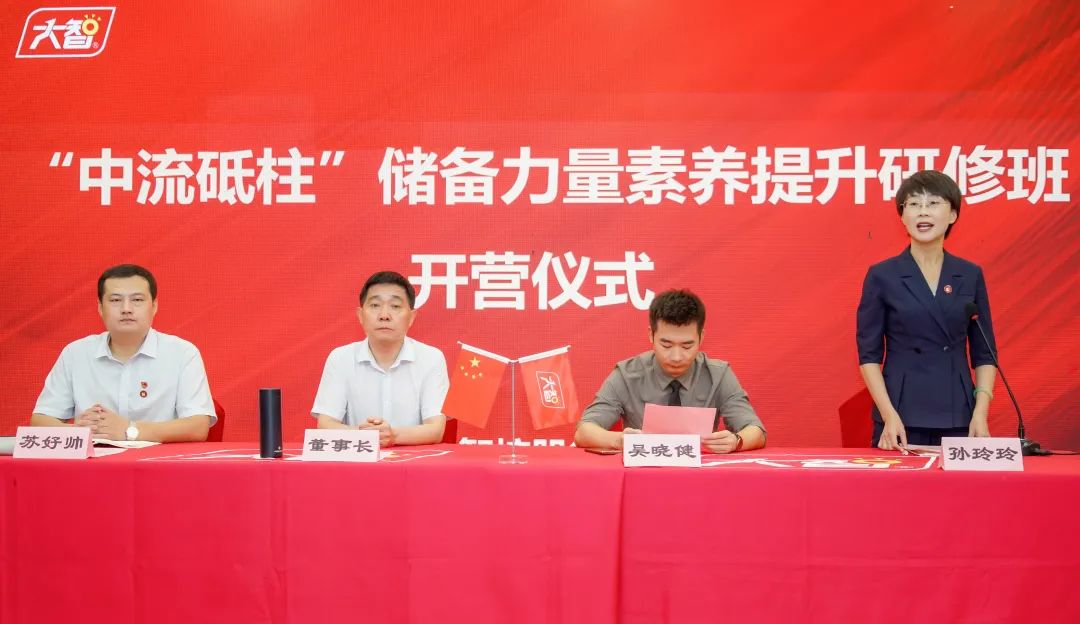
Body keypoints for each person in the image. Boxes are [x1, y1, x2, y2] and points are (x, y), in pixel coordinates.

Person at [857, 170, 998, 450]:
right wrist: (888, 415)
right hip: (900, 413)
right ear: (902, 216)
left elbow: (985, 354)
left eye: (933, 203)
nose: (923, 211)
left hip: (959, 413)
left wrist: (980, 413)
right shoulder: (882, 275)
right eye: (913, 204)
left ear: (953, 214)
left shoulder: (969, 274)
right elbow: (868, 356)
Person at [30, 264, 216, 442]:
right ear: (100, 307)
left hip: (157, 460)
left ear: (154, 306)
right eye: (115, 300)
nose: (126, 309)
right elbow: (40, 420)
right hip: (94, 460)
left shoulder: (182, 353)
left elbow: (198, 426)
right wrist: (81, 431)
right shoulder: (76, 353)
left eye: (137, 300)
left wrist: (129, 430)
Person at [575, 289, 766, 453]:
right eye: (666, 345)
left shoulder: (718, 375)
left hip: (702, 475)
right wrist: (619, 441)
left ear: (701, 337)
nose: (676, 357)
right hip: (643, 473)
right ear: (651, 335)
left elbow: (756, 431)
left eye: (687, 346)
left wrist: (736, 441)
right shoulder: (626, 375)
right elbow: (584, 431)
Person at [311, 271, 449, 446]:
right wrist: (364, 435)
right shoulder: (340, 358)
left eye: (395, 306)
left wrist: (392, 435)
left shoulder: (431, 358)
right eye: (375, 305)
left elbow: (435, 429)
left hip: (414, 461)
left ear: (411, 317)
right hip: (357, 458)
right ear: (360, 315)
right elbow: (325, 425)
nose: (384, 315)